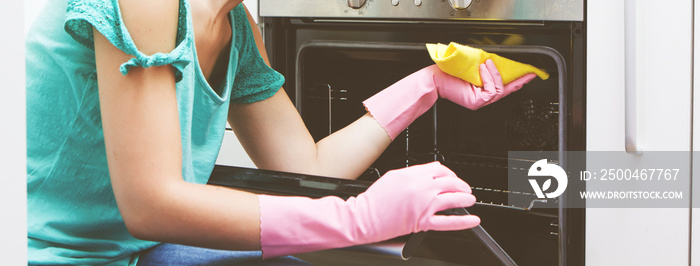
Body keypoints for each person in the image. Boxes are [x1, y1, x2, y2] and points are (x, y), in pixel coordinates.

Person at [26, 0, 536, 265]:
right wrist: (357, 218)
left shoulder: (236, 28)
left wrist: (426, 85)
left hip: (129, 255)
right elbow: (150, 204)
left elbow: (305, 167)